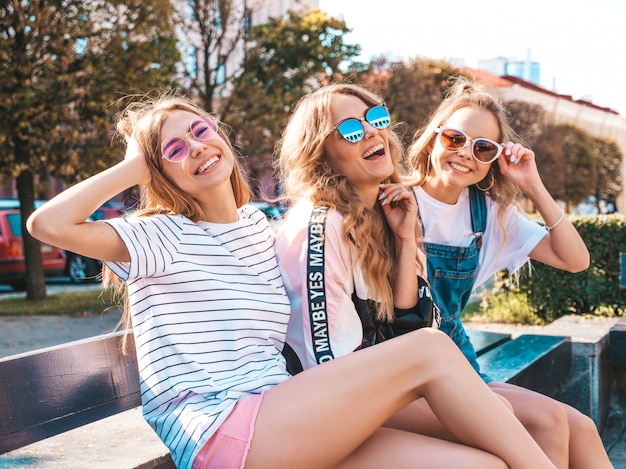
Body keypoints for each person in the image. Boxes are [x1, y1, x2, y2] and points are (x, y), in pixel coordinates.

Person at [26, 92, 557, 469]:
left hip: (284, 416)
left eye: (200, 131)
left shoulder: (258, 224)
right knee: (431, 351)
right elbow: (47, 226)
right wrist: (135, 165)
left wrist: (402, 239)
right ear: (157, 172)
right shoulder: (159, 234)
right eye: (174, 150)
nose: (196, 147)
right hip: (220, 428)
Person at [272, 82, 550, 467]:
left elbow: (415, 329)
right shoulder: (320, 226)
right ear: (321, 154)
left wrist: (404, 241)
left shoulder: (394, 213)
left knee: (500, 415)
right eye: (351, 129)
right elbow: (325, 369)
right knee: (489, 446)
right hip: (321, 414)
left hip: (375, 392)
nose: (371, 132)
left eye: (376, 119)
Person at [401, 76, 612, 468]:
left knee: (581, 426)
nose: (465, 153)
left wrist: (533, 185)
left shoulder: (491, 215)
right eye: (454, 139)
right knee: (549, 421)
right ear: (432, 138)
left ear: (494, 159)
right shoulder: (397, 199)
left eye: (483, 148)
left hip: (458, 366)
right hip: (404, 371)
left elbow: (575, 259)